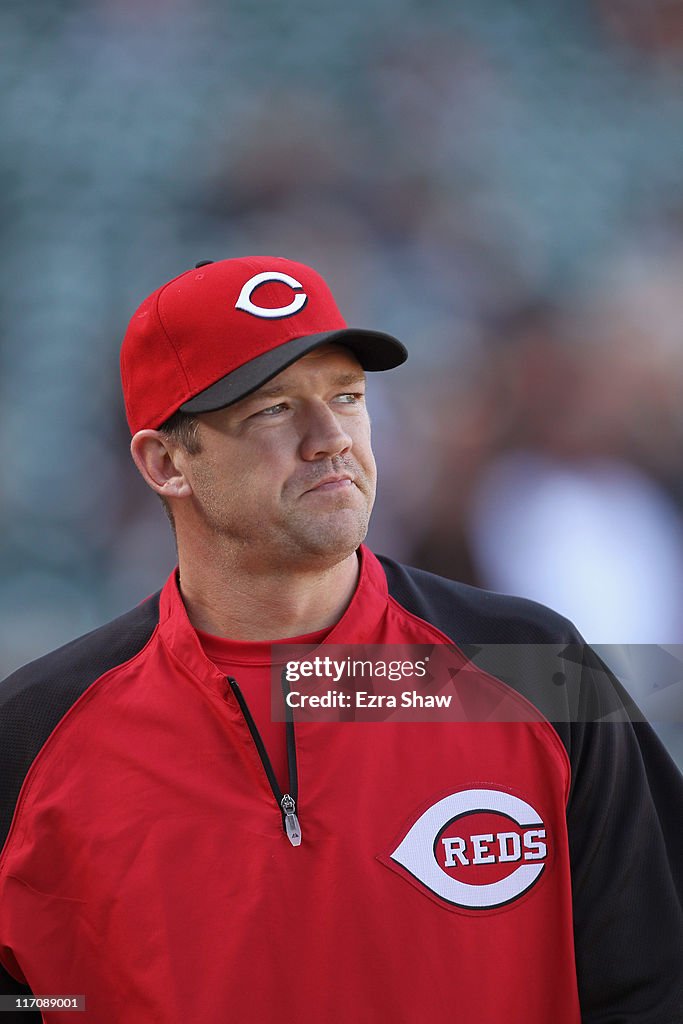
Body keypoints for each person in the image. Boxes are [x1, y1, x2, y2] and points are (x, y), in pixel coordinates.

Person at [0, 256, 681, 1024]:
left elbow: (654, 980)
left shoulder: (535, 665)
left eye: (347, 397)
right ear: (165, 463)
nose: (330, 439)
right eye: (272, 410)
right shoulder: (30, 732)